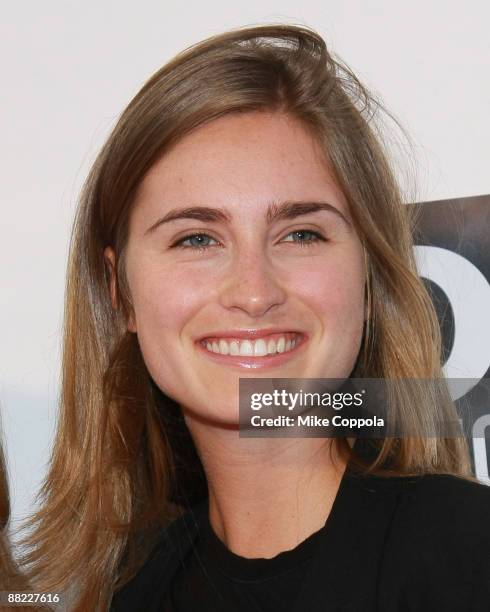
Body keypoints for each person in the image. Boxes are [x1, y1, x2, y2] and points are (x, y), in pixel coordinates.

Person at [18, 24, 490, 611]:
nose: (253, 291)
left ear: (365, 280)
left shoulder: (468, 555)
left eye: (300, 233)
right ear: (120, 293)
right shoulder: (131, 593)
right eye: (196, 239)